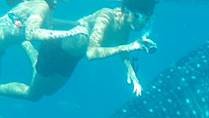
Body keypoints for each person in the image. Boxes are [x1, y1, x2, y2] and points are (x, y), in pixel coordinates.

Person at [0, 0, 157, 100]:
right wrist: (131, 46)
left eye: (146, 18)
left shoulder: (126, 26)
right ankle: (29, 50)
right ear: (125, 10)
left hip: (72, 57)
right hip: (57, 49)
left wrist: (131, 73)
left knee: (47, 93)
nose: (142, 23)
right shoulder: (106, 16)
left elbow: (122, 48)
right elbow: (91, 53)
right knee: (33, 94)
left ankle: (30, 49)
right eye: (138, 17)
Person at [0, 0, 87, 72]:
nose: (56, 2)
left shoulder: (32, 4)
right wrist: (70, 33)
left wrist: (74, 24)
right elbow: (31, 33)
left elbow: (46, 23)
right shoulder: (41, 5)